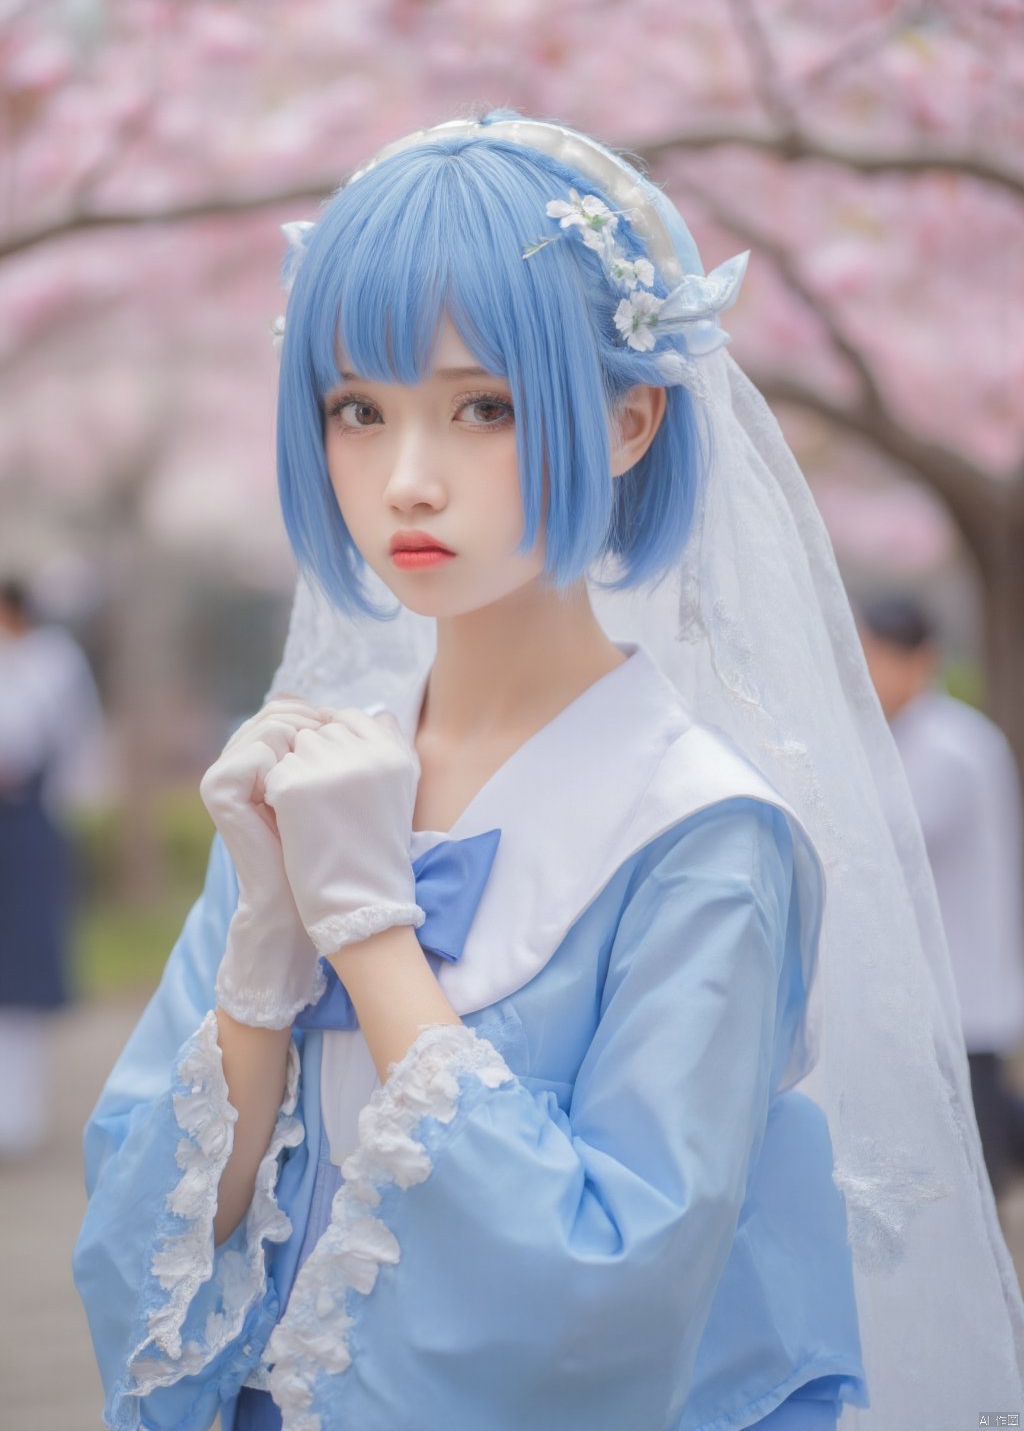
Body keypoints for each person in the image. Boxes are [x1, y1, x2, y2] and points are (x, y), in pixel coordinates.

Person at [73, 114, 1024, 1431]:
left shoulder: (700, 836)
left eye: (486, 407)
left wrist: (368, 934)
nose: (408, 480)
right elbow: (144, 1247)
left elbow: (607, 1298)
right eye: (358, 409)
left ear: (631, 420)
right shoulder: (320, 781)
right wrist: (266, 948)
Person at [859, 592, 1024, 1199]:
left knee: (975, 1177)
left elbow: (879, 841)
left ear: (922, 660)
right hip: (939, 993)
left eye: (877, 655)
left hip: (963, 996)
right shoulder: (909, 737)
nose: (866, 670)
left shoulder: (948, 746)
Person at [0, 577, 108, 1159]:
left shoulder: (52, 660)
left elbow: (74, 740)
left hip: (27, 822)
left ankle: (15, 1115)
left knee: (19, 967)